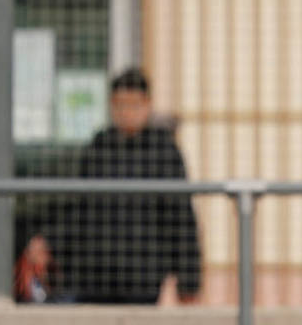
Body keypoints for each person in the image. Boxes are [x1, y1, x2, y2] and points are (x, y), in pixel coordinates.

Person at [60, 68, 201, 304]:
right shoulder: (99, 147)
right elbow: (78, 208)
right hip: (97, 272)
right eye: (119, 105)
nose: (125, 112)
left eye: (133, 105)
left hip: (143, 273)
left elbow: (181, 216)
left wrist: (189, 279)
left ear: (147, 105)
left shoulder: (163, 151)